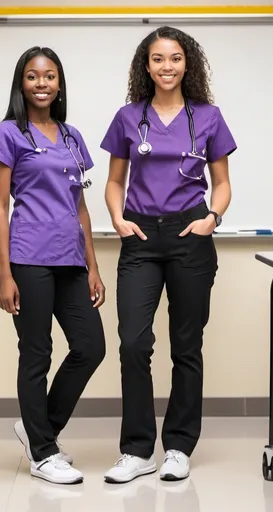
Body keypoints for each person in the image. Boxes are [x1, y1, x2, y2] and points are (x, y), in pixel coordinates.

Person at [100, 26, 237, 483]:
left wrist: (211, 218)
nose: (167, 67)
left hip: (190, 234)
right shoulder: (127, 117)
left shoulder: (208, 117)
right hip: (140, 237)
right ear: (146, 65)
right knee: (133, 344)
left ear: (187, 64)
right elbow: (115, 181)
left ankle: (178, 446)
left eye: (175, 58)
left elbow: (222, 183)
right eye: (158, 59)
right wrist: (118, 219)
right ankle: (138, 451)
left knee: (187, 346)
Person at [0, 46, 106, 485]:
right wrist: (4, 274)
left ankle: (40, 432)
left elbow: (82, 208)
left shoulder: (72, 137)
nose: (41, 84)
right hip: (29, 258)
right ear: (21, 83)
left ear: (59, 83)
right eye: (33, 76)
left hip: (71, 259)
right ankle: (42, 453)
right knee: (37, 353)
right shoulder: (7, 134)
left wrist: (92, 266)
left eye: (50, 76)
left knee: (91, 347)